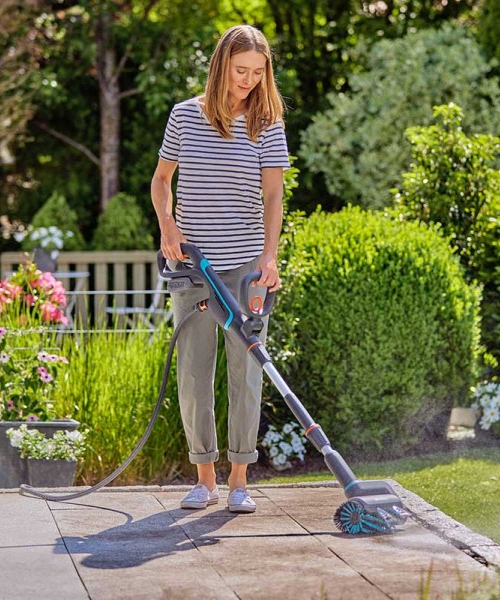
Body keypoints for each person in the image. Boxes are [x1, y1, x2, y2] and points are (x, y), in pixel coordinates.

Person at [151, 25, 290, 513]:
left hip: (246, 265)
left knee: (247, 372)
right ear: (220, 67)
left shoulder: (267, 121)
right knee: (193, 373)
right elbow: (162, 180)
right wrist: (168, 227)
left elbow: (273, 194)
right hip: (193, 266)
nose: (249, 80)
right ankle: (204, 479)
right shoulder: (185, 116)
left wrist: (270, 257)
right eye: (240, 71)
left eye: (257, 72)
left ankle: (238, 482)